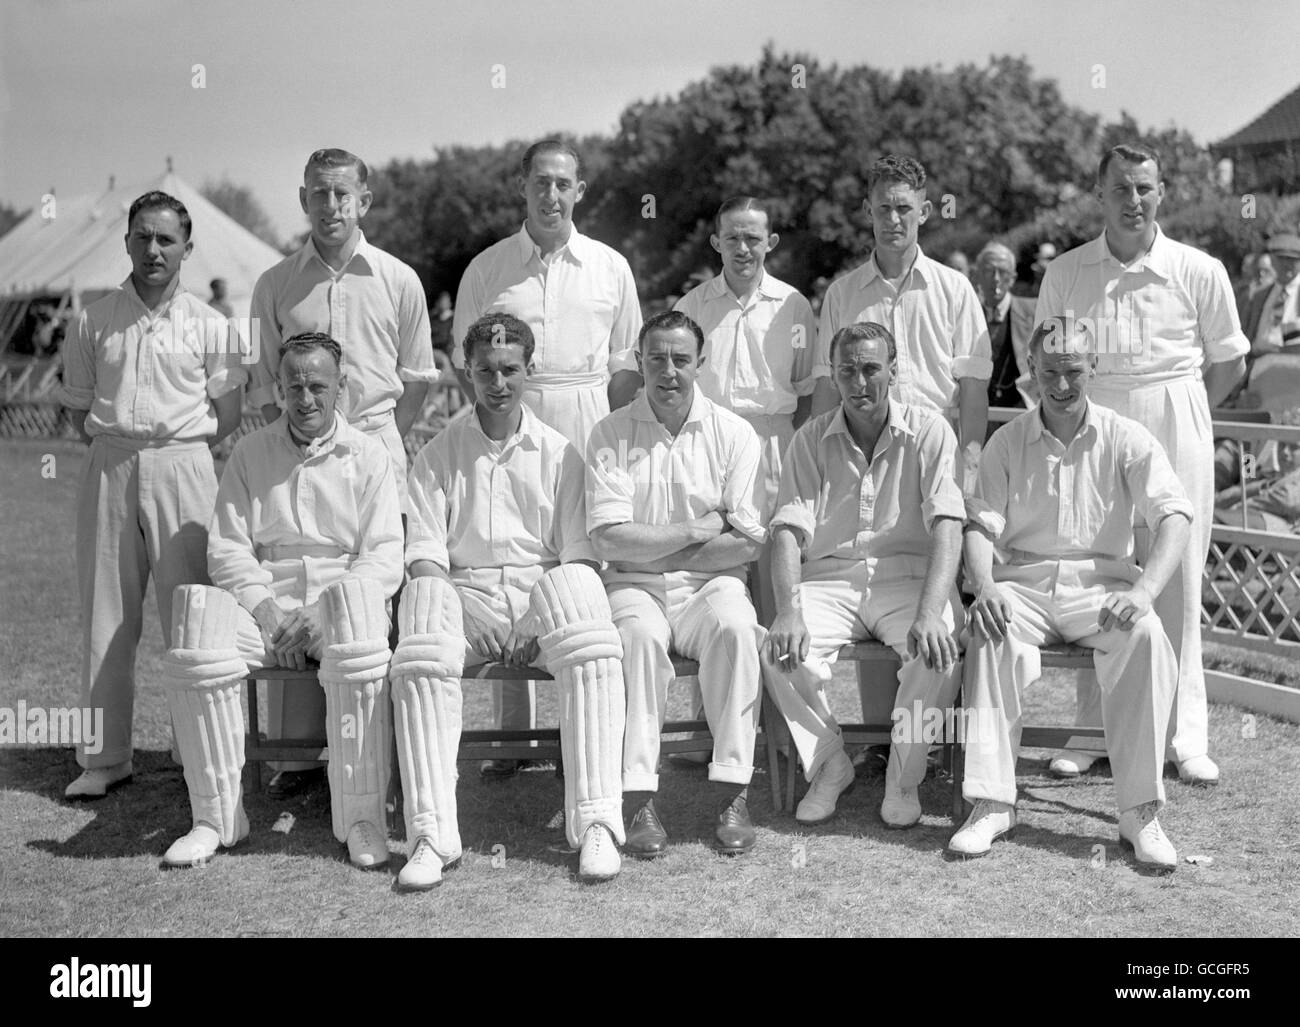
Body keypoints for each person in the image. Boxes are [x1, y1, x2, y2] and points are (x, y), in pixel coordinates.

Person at [1037, 142, 1248, 785]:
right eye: (1122, 189)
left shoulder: (1199, 268)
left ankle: (1184, 737)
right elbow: (1048, 359)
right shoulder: (1068, 272)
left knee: (1177, 573)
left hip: (1176, 414)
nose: (1134, 201)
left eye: (1145, 189)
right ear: (1099, 195)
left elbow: (1231, 359)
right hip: (1097, 422)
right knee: (1100, 566)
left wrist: (1186, 418)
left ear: (1162, 194)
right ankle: (1094, 729)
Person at [393, 313, 625, 889]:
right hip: (461, 593)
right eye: (486, 371)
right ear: (465, 372)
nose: (499, 383)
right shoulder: (437, 455)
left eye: (511, 370)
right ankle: (430, 833)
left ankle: (597, 822)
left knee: (594, 638)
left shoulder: (560, 452)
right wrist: (463, 609)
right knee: (420, 633)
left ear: (530, 370)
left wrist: (533, 616)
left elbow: (578, 554)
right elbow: (424, 555)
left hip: (541, 595)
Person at [950, 319, 1192, 871]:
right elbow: (980, 525)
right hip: (1024, 586)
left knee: (1147, 635)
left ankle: (1140, 811)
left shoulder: (1125, 436)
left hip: (1102, 588)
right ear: (1032, 372)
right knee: (990, 626)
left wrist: (1146, 590)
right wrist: (983, 585)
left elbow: (1174, 514)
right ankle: (991, 802)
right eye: (1050, 372)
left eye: (1074, 372)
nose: (1061, 385)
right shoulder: (1007, 440)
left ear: (1094, 370)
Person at [160, 331, 403, 869]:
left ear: (342, 387)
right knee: (199, 640)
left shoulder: (369, 455)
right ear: (278, 387)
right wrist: (267, 611)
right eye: (294, 385)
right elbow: (227, 548)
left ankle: (362, 817)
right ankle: (213, 819)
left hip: (342, 602)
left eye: (318, 385)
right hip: (266, 604)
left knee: (360, 645)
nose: (306, 397)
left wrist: (324, 611)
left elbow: (384, 555)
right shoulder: (251, 450)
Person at [246, 148, 438, 797]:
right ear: (303, 201)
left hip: (377, 448)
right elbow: (263, 383)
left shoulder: (399, 279)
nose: (331, 206)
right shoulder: (274, 284)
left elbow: (417, 381)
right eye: (319, 194)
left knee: (376, 595)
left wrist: (373, 446)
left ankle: (371, 753)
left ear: (365, 201)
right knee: (304, 578)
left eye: (343, 194)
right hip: (299, 453)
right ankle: (300, 754)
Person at [452, 138, 642, 771]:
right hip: (513, 420)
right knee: (513, 557)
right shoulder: (488, 268)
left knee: (583, 567)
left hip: (589, 422)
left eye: (564, 183)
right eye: (540, 183)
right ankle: (514, 741)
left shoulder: (611, 266)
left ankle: (587, 735)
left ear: (579, 191)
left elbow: (624, 368)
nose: (552, 195)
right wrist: (493, 422)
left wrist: (611, 441)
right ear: (523, 187)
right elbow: (468, 363)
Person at [59, 191, 246, 799]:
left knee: (193, 616)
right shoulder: (92, 319)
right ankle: (105, 757)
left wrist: (178, 456)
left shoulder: (212, 325)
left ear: (188, 249)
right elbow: (77, 406)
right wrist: (118, 450)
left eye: (166, 239)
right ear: (127, 242)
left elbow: (230, 409)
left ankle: (203, 752)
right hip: (110, 464)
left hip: (184, 467)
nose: (153, 250)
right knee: (104, 616)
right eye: (142, 236)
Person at [762, 322, 965, 827]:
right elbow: (787, 529)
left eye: (871, 368)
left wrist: (931, 611)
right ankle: (831, 762)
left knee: (939, 648)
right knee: (775, 646)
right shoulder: (810, 438)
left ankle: (903, 776)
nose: (860, 381)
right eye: (848, 370)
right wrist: (789, 609)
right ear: (833, 374)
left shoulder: (931, 430)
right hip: (832, 579)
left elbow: (948, 525)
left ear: (893, 372)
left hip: (909, 575)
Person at [586, 310, 768, 857]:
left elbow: (748, 543)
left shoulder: (735, 433)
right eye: (657, 359)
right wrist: (694, 529)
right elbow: (609, 542)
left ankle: (734, 791)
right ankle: (638, 798)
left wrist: (655, 546)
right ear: (639, 363)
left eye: (681, 359)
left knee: (738, 627)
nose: (669, 371)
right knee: (638, 640)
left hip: (710, 584)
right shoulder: (610, 432)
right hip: (634, 587)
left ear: (701, 364)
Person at [973, 242, 1037, 410]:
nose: (996, 278)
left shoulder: (1033, 311)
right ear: (977, 275)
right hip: (979, 411)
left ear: (1013, 278)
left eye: (1003, 272)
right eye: (988, 271)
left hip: (1021, 410)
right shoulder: (967, 314)